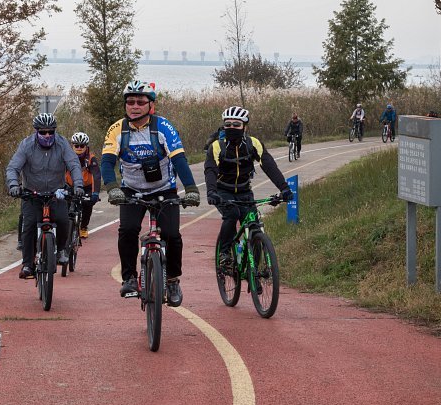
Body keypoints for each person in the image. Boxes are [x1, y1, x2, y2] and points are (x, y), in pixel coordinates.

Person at [101, 80, 200, 307]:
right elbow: (107, 163)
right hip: (131, 190)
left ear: (150, 105)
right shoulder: (117, 129)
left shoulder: (163, 127)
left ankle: (173, 280)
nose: (134, 106)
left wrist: (192, 189)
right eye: (130, 102)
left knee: (172, 235)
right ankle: (129, 278)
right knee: (127, 229)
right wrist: (112, 187)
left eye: (140, 102)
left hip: (164, 189)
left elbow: (180, 160)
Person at [204, 106, 294, 267]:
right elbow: (210, 170)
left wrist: (284, 188)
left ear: (245, 126)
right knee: (231, 214)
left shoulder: (254, 144)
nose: (231, 128)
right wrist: (211, 192)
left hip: (245, 191)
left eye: (236, 124)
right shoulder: (217, 146)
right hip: (222, 191)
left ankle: (254, 274)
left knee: (254, 225)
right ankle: (224, 253)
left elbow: (269, 166)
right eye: (228, 124)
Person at [6, 113, 84, 279]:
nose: (47, 135)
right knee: (28, 227)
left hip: (57, 193)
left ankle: (61, 250)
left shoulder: (62, 144)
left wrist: (78, 185)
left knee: (64, 221)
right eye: (43, 132)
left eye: (51, 132)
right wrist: (14, 185)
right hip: (32, 194)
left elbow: (74, 165)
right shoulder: (26, 145)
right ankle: (27, 264)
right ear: (36, 131)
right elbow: (13, 168)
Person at [65, 131, 101, 239]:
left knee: (87, 205)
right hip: (70, 185)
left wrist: (95, 193)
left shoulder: (91, 158)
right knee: (64, 205)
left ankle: (84, 227)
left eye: (82, 146)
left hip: (87, 186)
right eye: (76, 145)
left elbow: (96, 176)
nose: (79, 148)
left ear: (86, 146)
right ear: (72, 146)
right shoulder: (66, 157)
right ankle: (66, 227)